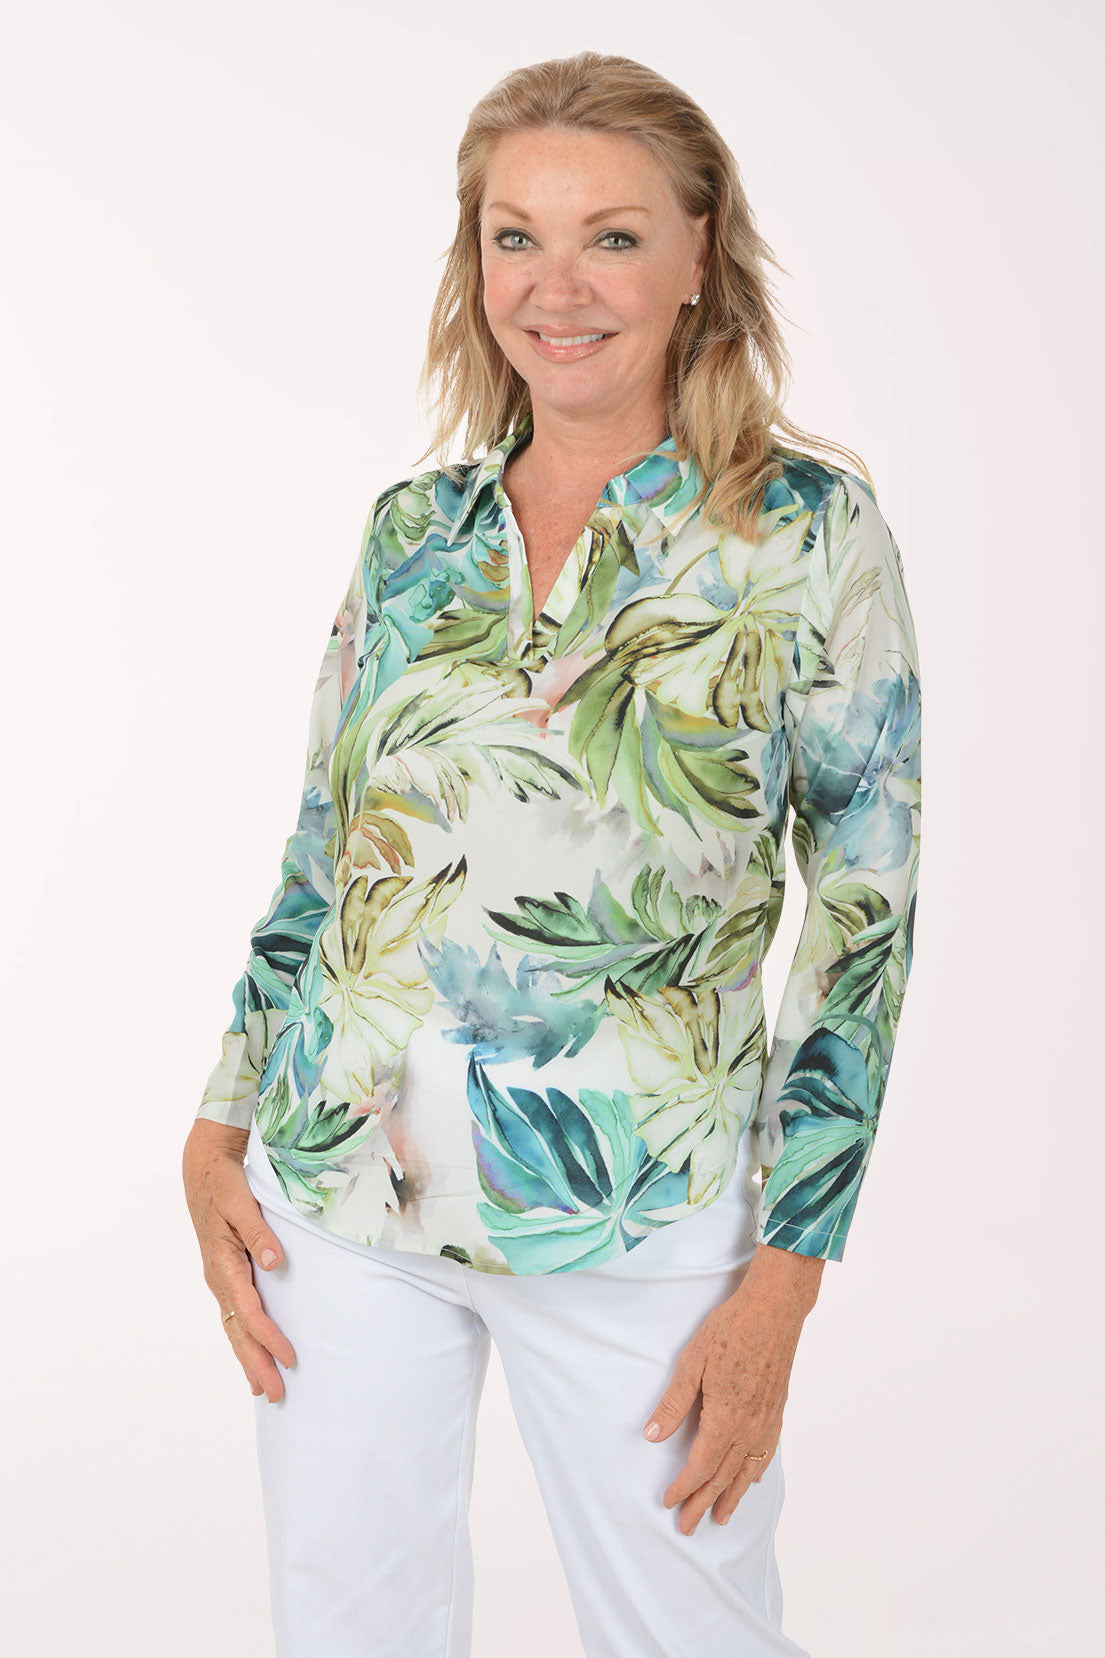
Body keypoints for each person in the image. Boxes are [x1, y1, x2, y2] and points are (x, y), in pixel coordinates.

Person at [182, 49, 922, 1658]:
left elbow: (862, 923)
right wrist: (219, 1119)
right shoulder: (412, 531)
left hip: (639, 1214)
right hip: (339, 1193)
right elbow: (328, 851)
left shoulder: (801, 533)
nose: (556, 284)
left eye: (609, 235)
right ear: (472, 267)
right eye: (513, 237)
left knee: (693, 1631)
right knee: (344, 1631)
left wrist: (788, 1269)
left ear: (696, 255)